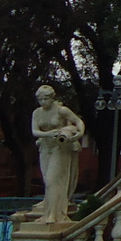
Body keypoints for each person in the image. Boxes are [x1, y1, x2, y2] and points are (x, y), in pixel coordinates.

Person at [32, 85, 86, 222]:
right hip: (45, 147)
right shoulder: (37, 113)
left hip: (59, 147)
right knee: (47, 181)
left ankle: (53, 215)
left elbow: (78, 121)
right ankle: (49, 212)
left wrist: (80, 133)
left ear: (51, 98)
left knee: (51, 180)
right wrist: (47, 134)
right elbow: (34, 131)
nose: (42, 102)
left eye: (45, 99)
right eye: (40, 99)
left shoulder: (61, 110)